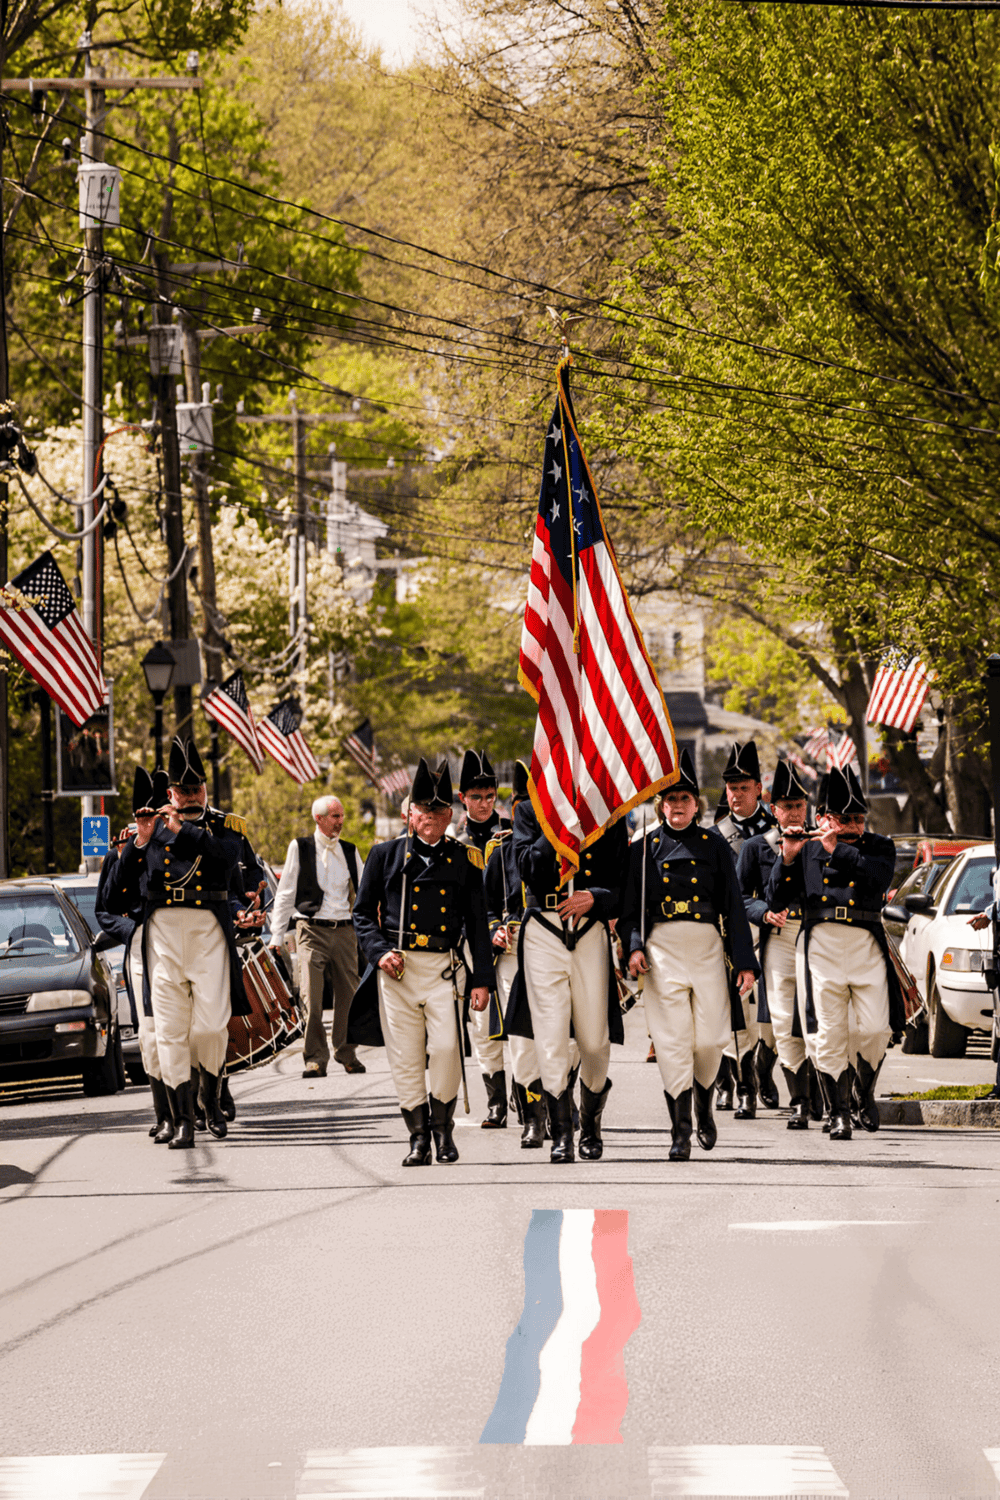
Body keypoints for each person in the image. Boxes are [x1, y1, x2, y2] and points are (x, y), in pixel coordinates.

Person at [102, 737, 256, 1148]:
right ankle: (183, 1120)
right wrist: (140, 842)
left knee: (209, 1028)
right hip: (163, 935)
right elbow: (115, 897)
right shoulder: (146, 832)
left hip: (207, 931)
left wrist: (183, 830)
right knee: (168, 1032)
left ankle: (211, 1092)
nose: (190, 796)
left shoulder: (224, 828)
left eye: (196, 789)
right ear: (169, 793)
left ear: (205, 790)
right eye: (183, 791)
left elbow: (230, 865)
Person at [349, 758, 493, 1166]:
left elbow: (478, 925)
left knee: (447, 1049)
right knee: (406, 1057)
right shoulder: (384, 855)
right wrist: (379, 954)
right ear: (410, 813)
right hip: (398, 968)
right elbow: (362, 913)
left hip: (443, 967)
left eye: (438, 811)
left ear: (450, 815)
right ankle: (418, 1138)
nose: (430, 818)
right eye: (423, 810)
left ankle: (444, 1132)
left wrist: (482, 979)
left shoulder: (465, 860)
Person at [622, 750, 758, 1160]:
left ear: (696, 803)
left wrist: (745, 963)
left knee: (713, 1038)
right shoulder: (644, 848)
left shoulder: (714, 846)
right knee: (671, 1041)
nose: (677, 806)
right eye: (670, 799)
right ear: (660, 804)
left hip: (706, 946)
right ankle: (680, 1131)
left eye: (684, 799)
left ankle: (704, 1103)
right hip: (662, 949)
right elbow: (632, 910)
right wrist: (634, 947)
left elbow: (733, 907)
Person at [765, 763, 905, 1140]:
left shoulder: (879, 846)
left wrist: (837, 848)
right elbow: (775, 898)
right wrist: (789, 856)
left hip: (864, 940)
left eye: (858, 819)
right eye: (844, 819)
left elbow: (876, 880)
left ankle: (864, 1090)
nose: (853, 827)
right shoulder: (807, 848)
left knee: (876, 1028)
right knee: (826, 1034)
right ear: (825, 817)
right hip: (820, 944)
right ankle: (838, 1111)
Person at [508, 785, 628, 1164]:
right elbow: (527, 867)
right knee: (550, 1036)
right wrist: (557, 824)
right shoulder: (530, 811)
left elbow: (623, 880)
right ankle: (561, 1134)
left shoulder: (608, 810)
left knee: (593, 1042)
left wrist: (597, 896)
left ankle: (591, 1122)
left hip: (589, 926)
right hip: (543, 927)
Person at [484, 760, 580, 1148]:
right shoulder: (501, 850)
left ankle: (563, 1104)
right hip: (514, 955)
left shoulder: (573, 841)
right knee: (523, 1044)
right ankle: (533, 1116)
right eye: (526, 803)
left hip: (560, 946)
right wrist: (495, 930)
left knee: (567, 1039)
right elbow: (488, 906)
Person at [736, 759, 815, 1128]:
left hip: (819, 932)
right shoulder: (756, 847)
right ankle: (799, 1099)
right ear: (773, 810)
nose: (795, 812)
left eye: (800, 805)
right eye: (787, 806)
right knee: (783, 1017)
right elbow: (741, 898)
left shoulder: (821, 841)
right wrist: (764, 913)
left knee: (819, 1014)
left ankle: (827, 1094)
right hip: (780, 936)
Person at [96, 766, 171, 1141]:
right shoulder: (124, 851)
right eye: (142, 816)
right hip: (141, 947)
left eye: (154, 816)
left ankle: (198, 1101)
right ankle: (165, 1114)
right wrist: (133, 930)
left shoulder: (180, 846)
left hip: (178, 944)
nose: (148, 823)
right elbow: (105, 909)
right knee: (150, 1035)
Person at [270, 795, 365, 1079]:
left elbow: (364, 892)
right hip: (310, 929)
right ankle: (314, 1058)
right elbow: (285, 892)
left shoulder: (350, 850)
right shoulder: (300, 847)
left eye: (341, 815)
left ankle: (347, 1052)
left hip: (345, 930)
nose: (340, 821)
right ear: (319, 819)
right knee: (311, 997)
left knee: (349, 996)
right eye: (334, 816)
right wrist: (276, 937)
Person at [713, 740, 778, 1118]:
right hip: (728, 931)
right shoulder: (716, 834)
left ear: (759, 790)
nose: (737, 795)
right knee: (732, 1011)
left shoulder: (777, 830)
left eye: (743, 788)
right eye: (731, 788)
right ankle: (734, 1082)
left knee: (770, 1018)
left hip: (769, 928)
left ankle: (762, 1071)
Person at [455, 749, 512, 1125]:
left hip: (508, 936)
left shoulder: (511, 832)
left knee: (520, 1019)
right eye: (475, 797)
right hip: (468, 942)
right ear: (462, 798)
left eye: (489, 796)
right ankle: (496, 1101)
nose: (483, 803)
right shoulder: (452, 839)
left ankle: (530, 1095)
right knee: (482, 1025)